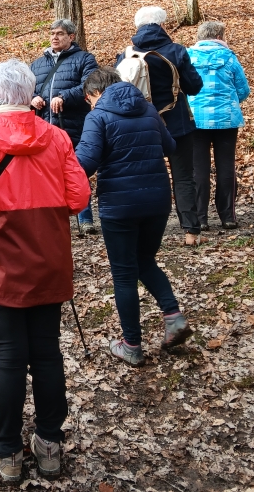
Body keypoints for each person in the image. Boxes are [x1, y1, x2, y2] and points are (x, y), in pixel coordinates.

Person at [0, 59, 90, 483]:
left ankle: (8, 451)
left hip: (3, 263)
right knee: (47, 353)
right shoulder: (55, 136)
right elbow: (79, 196)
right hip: (49, 258)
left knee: (10, 358)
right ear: (27, 92)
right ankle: (49, 443)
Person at [75, 67, 192, 366]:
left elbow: (85, 162)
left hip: (121, 205)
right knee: (144, 261)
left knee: (125, 273)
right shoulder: (149, 109)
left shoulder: (98, 116)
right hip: (157, 200)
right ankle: (173, 316)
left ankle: (131, 345)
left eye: (89, 99)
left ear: (94, 94)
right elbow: (170, 146)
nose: (90, 104)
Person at [116, 6, 204, 245]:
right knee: (184, 176)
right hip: (176, 124)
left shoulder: (125, 54)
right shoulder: (176, 51)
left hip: (139, 125)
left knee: (143, 178)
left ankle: (144, 231)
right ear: (162, 25)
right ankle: (191, 232)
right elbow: (195, 86)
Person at [29, 19, 99, 233]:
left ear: (71, 36)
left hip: (73, 125)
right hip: (43, 126)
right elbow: (28, 87)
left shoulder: (85, 59)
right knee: (42, 174)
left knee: (76, 171)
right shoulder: (37, 64)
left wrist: (64, 97)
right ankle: (48, 220)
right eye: (52, 33)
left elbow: (90, 85)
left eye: (60, 33)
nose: (54, 37)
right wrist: (33, 98)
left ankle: (85, 220)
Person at [187, 21, 250, 232]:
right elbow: (243, 90)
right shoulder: (230, 58)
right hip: (226, 120)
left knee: (198, 169)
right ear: (221, 36)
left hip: (196, 119)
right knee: (226, 167)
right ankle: (227, 216)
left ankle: (200, 218)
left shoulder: (188, 57)